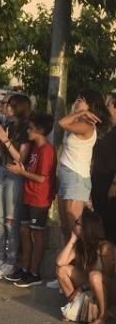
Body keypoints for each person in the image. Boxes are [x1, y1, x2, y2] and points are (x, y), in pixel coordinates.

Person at [1, 112, 56, 287]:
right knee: (25, 233)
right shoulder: (34, 147)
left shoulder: (47, 150)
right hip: (28, 194)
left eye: (31, 128)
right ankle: (24, 268)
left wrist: (21, 172)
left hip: (39, 198)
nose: (28, 131)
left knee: (36, 235)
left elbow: (42, 178)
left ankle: (34, 272)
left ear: (40, 130)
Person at [0, 93, 32, 279]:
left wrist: (4, 139)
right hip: (1, 170)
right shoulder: (6, 124)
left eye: (10, 105)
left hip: (15, 175)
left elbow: (21, 158)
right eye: (6, 104)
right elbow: (1, 153)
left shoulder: (25, 128)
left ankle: (11, 262)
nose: (6, 107)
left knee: (11, 220)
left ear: (20, 108)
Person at [56, 91, 110, 246]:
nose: (76, 102)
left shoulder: (87, 125)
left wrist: (84, 113)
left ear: (90, 105)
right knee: (65, 228)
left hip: (76, 178)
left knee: (75, 229)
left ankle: (80, 265)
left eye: (81, 99)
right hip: (67, 177)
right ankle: (68, 264)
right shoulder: (79, 122)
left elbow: (62, 123)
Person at [56, 210, 115, 324]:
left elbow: (110, 275)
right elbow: (60, 262)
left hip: (109, 288)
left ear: (87, 227)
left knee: (94, 275)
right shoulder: (80, 245)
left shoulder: (104, 247)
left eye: (78, 223)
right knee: (62, 270)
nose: (74, 224)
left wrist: (82, 287)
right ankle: (76, 309)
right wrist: (72, 239)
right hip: (91, 285)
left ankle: (103, 317)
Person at [90, 92, 116, 243]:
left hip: (110, 185)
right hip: (98, 182)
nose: (105, 108)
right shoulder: (105, 129)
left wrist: (114, 185)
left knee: (110, 229)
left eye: (108, 105)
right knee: (102, 228)